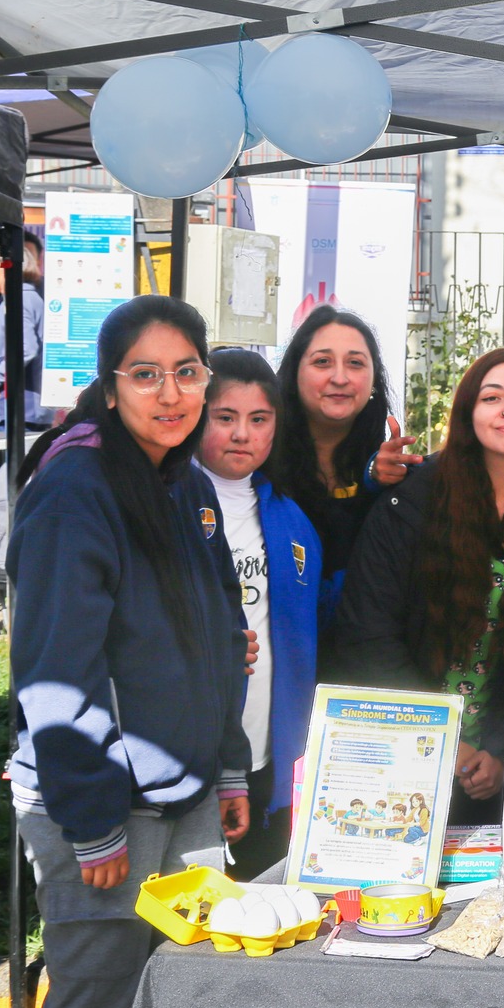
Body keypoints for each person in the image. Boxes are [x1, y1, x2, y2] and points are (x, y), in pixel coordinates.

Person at [6, 296, 255, 1008]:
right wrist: (94, 819)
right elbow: (54, 671)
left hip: (182, 799)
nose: (171, 392)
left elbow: (221, 632)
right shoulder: (76, 487)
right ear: (110, 389)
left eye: (188, 371)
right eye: (145, 374)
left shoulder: (181, 480)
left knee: (180, 1004)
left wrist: (229, 768)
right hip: (103, 810)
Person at [330, 347, 504, 829]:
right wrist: (444, 739)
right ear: (469, 415)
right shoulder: (410, 501)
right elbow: (368, 633)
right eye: (492, 397)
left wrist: (500, 748)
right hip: (395, 752)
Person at [196, 349, 324, 878]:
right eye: (225, 418)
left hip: (268, 745)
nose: (242, 434)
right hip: (193, 747)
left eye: (258, 419)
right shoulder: (170, 501)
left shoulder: (289, 518)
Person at [266, 305, 416, 622]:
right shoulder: (259, 466)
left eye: (355, 363)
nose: (339, 377)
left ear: (374, 380)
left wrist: (376, 478)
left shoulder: (395, 479)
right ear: (294, 374)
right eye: (322, 362)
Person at [0, 238, 51, 431]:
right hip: (4, 413)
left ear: (7, 267)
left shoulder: (21, 300)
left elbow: (26, 348)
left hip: (12, 414)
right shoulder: (7, 301)